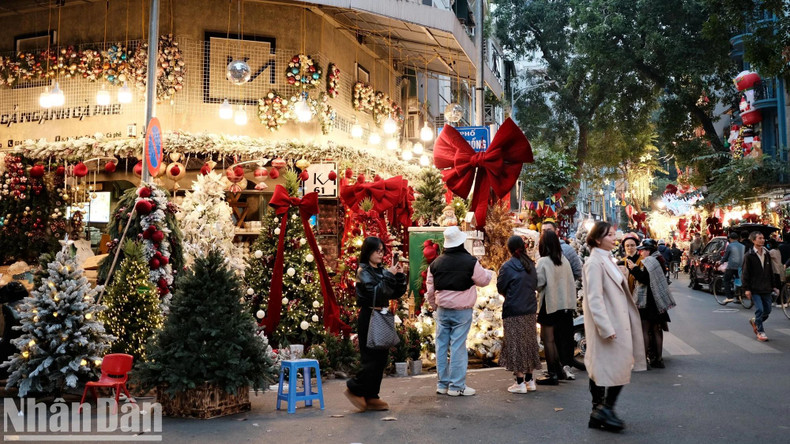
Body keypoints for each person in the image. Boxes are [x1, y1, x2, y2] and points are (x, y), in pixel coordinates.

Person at [582, 221, 646, 432]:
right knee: (609, 367)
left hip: (618, 321)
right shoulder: (594, 262)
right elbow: (594, 299)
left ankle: (600, 411)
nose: (614, 238)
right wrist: (605, 328)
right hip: (609, 325)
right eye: (610, 235)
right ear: (598, 238)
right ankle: (603, 409)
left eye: (613, 234)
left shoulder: (608, 259)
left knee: (610, 367)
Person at [426, 226, 494, 396]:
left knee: (441, 346)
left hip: (442, 310)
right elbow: (483, 280)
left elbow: (430, 289)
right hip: (462, 311)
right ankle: (456, 386)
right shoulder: (470, 262)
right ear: (461, 241)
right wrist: (489, 273)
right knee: (457, 346)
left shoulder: (435, 263)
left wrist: (434, 305)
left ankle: (442, 384)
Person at [345, 237, 407, 412]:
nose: (381, 254)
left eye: (382, 251)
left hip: (382, 314)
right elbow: (376, 293)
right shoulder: (363, 271)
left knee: (381, 358)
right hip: (370, 315)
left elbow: (394, 293)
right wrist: (389, 275)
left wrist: (399, 276)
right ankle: (354, 387)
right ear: (368, 252)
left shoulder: (381, 271)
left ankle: (372, 396)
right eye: (377, 251)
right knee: (371, 358)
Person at [497, 236, 542, 394]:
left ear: (509, 248)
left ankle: (519, 382)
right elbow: (536, 284)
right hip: (529, 309)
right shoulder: (531, 264)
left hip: (513, 310)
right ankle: (530, 380)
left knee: (515, 344)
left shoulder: (507, 267)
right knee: (529, 343)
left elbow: (500, 287)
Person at [535, 229, 577, 385]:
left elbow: (538, 284)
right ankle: (559, 370)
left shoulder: (543, 262)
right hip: (565, 305)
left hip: (550, 304)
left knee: (548, 339)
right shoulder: (564, 260)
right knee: (560, 338)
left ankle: (552, 372)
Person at [627, 239, 675, 369]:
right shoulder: (658, 259)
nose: (641, 252)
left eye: (643, 250)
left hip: (648, 301)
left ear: (648, 250)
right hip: (657, 301)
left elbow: (644, 279)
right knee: (656, 330)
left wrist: (634, 269)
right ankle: (658, 359)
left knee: (645, 329)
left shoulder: (650, 261)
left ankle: (644, 361)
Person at [741, 231, 781, 342]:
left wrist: (774, 286)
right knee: (759, 309)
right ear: (753, 240)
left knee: (767, 310)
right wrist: (747, 289)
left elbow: (770, 271)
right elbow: (745, 273)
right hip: (754, 288)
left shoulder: (767, 254)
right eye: (759, 238)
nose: (762, 240)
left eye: (763, 238)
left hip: (766, 287)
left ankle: (755, 321)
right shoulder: (749, 255)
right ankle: (760, 331)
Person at [721, 232, 745, 304]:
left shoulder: (730, 246)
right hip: (741, 266)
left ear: (730, 239)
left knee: (726, 280)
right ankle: (739, 296)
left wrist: (721, 261)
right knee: (739, 280)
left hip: (732, 266)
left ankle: (729, 297)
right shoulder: (743, 246)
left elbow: (726, 256)